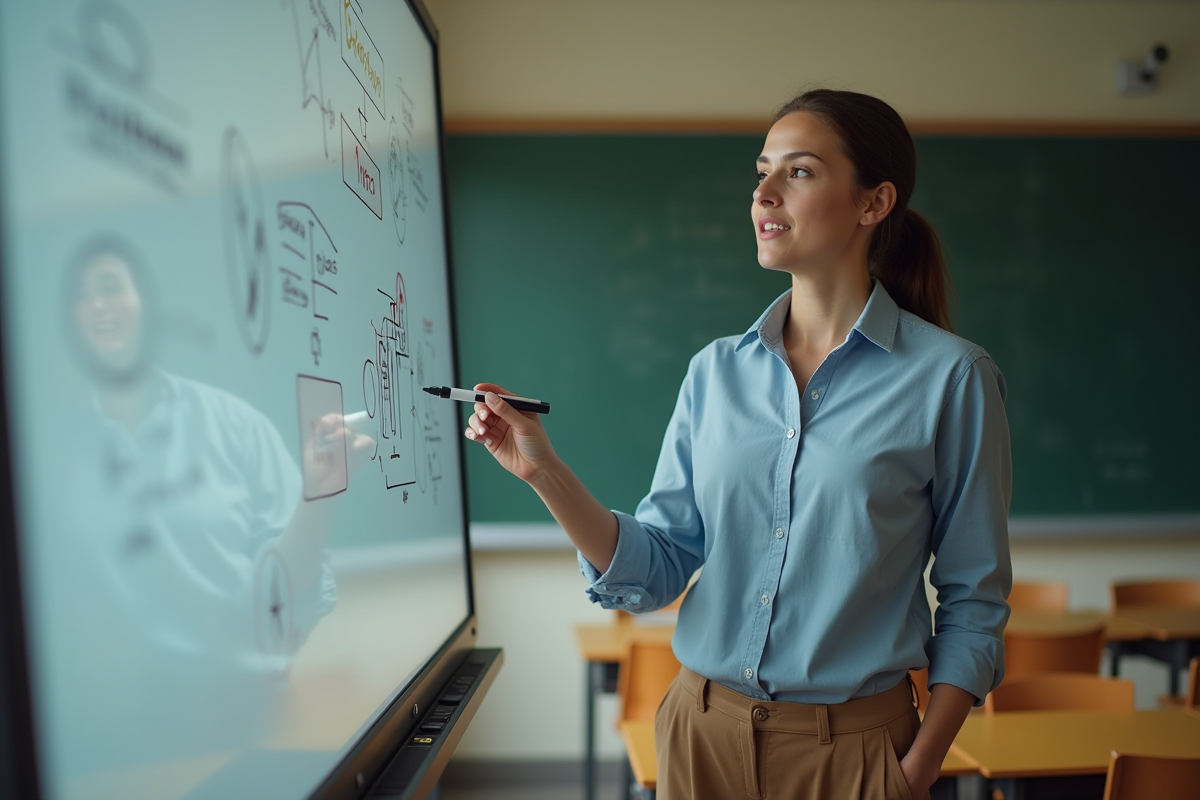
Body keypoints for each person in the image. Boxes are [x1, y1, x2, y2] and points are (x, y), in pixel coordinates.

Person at [464, 88, 1011, 800]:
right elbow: (658, 569)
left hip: (855, 758)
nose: (765, 192)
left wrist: (917, 769)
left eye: (800, 172)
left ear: (874, 203)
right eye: (762, 171)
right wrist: (546, 474)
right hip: (701, 739)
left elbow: (974, 598)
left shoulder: (953, 379)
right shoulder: (715, 372)